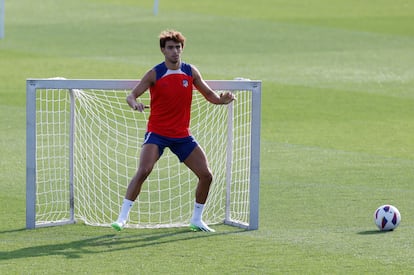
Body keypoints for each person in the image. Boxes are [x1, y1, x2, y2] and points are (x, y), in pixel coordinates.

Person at [111, 30, 235, 232]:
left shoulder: (190, 72)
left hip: (182, 135)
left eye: (178, 47)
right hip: (157, 133)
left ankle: (196, 219)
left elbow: (210, 95)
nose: (175, 51)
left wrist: (223, 100)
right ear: (162, 50)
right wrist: (135, 104)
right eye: (170, 48)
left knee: (206, 175)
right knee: (144, 170)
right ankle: (122, 217)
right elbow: (131, 95)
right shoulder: (155, 73)